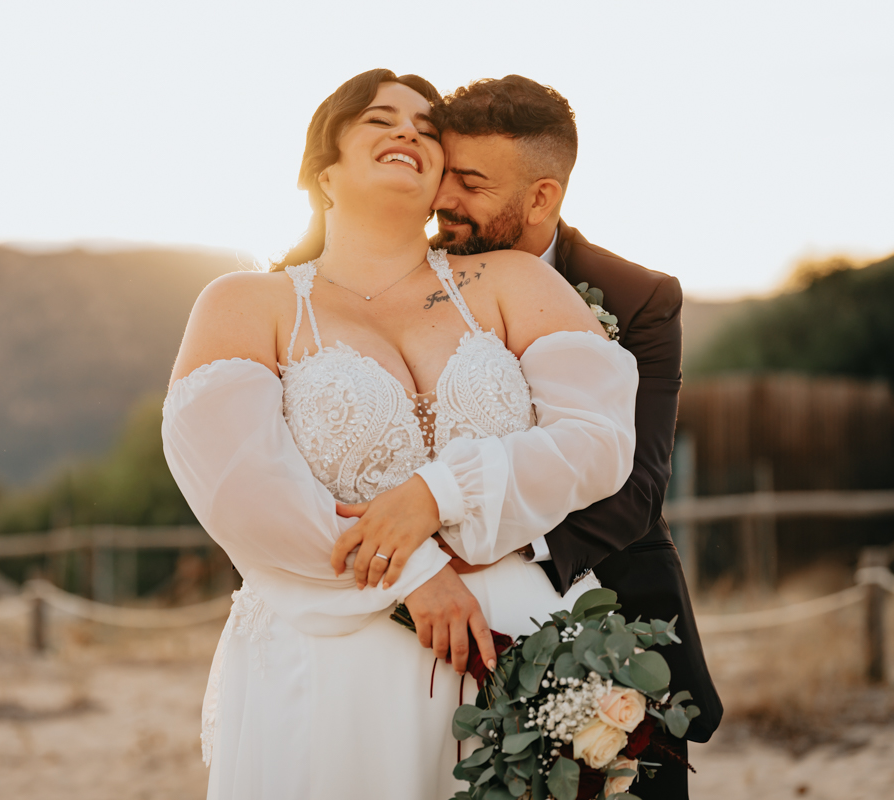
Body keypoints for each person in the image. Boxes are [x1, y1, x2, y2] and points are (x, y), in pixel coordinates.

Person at [162, 69, 638, 800]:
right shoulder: (248, 303)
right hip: (334, 661)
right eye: (379, 119)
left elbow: (597, 439)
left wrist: (438, 493)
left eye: (424, 126)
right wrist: (413, 575)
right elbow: (240, 489)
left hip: (520, 653)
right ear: (323, 172)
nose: (407, 132)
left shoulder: (513, 282)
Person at [427, 75, 724, 799]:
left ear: (542, 198)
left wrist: (493, 549)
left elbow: (638, 485)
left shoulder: (638, 297)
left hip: (611, 613)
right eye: (443, 174)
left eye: (471, 182)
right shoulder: (410, 276)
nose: (443, 200)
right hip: (439, 622)